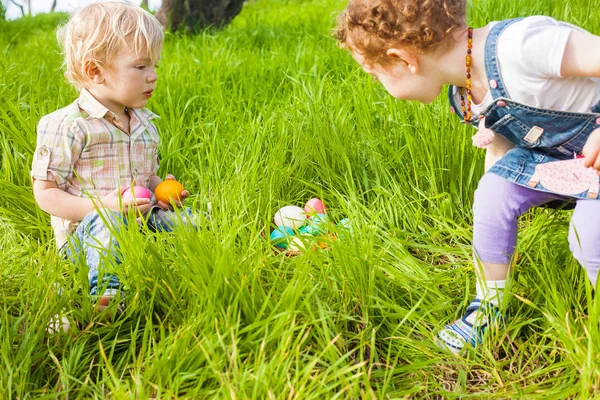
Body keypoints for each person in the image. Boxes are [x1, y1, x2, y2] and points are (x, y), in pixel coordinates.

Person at [334, 0, 600, 354]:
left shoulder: (521, 46)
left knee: (589, 238)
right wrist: (496, 213)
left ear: (403, 59)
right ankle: (489, 308)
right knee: (492, 192)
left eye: (375, 75)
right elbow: (505, 146)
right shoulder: (465, 92)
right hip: (567, 160)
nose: (380, 84)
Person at [31, 2, 198, 313]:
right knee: (109, 224)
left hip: (141, 223)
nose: (153, 77)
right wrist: (102, 208)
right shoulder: (67, 125)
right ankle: (107, 297)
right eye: (140, 67)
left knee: (190, 224)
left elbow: (145, 178)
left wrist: (163, 190)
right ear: (95, 71)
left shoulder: (146, 124)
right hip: (88, 236)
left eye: (154, 67)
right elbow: (46, 194)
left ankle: (200, 265)